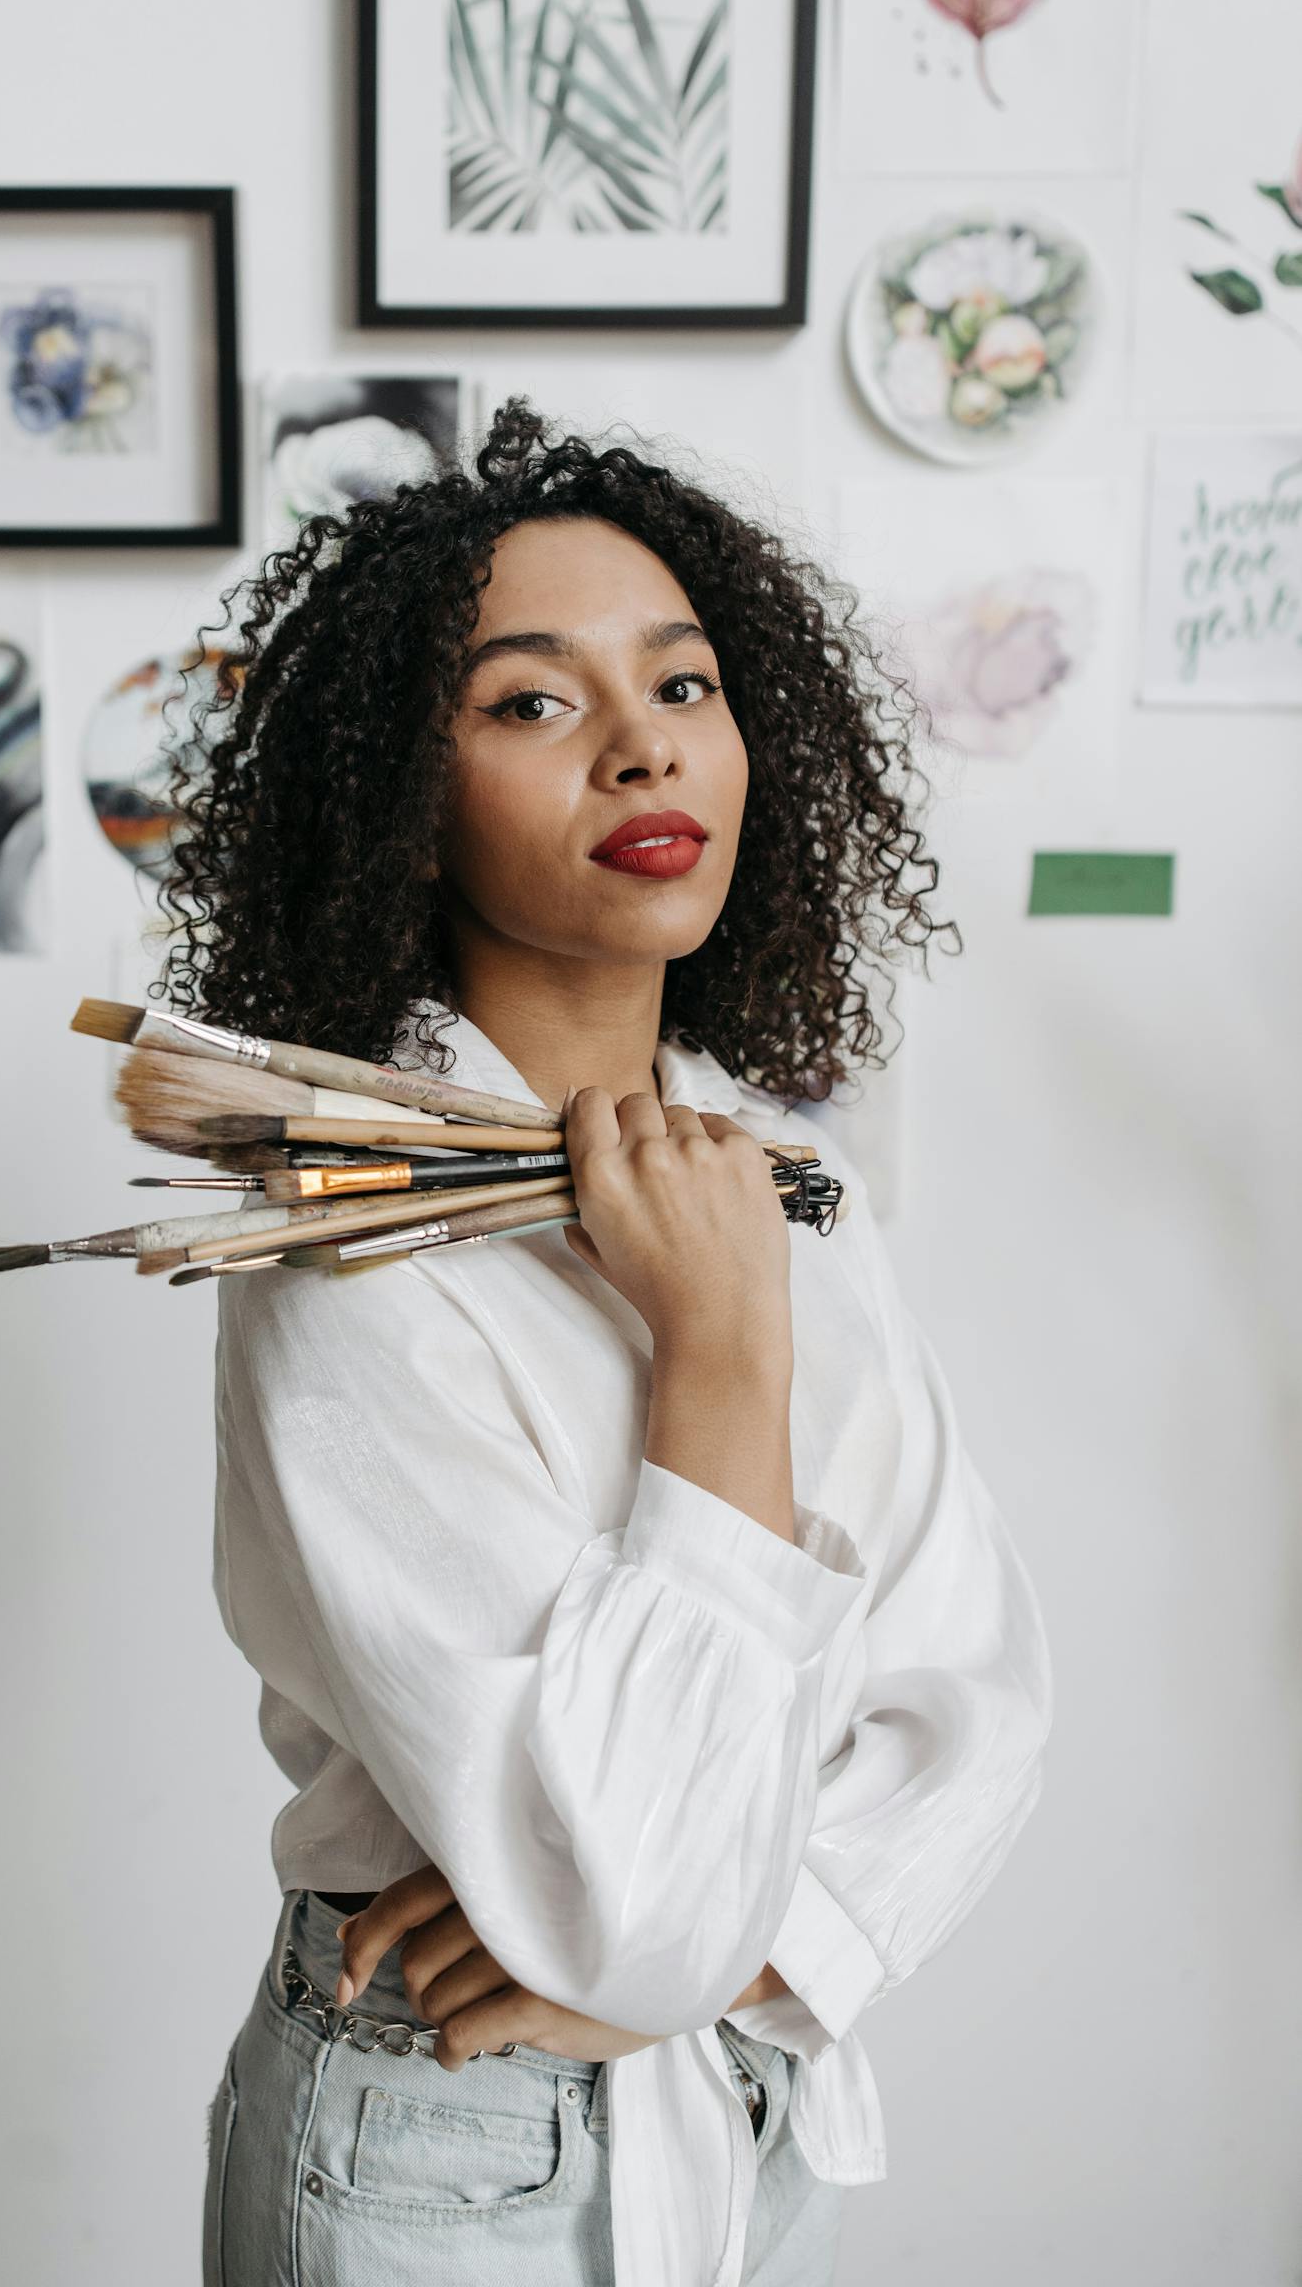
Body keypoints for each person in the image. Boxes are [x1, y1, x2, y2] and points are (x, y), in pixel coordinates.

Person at [155, 397, 1054, 2286]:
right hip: (442, 2122)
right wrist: (717, 1347)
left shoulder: (788, 1179)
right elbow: (631, 1896)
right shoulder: (349, 1251)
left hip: (738, 2087)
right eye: (530, 702)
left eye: (683, 680)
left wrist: (742, 1938)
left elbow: (970, 1699)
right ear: (402, 808)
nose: (644, 739)